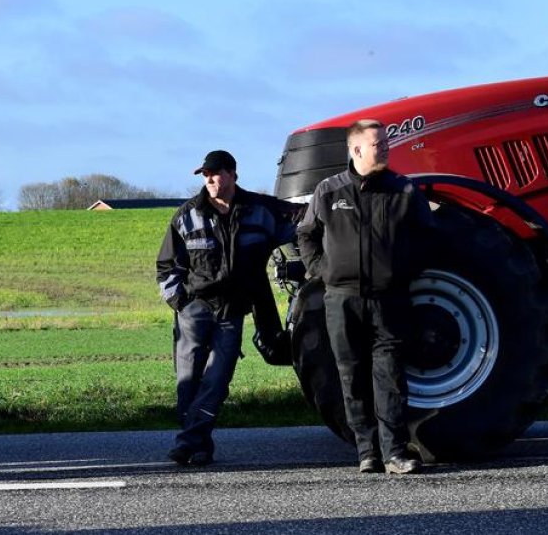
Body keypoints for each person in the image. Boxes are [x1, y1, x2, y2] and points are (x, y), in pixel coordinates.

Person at [296, 119, 432, 475]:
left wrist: (405, 270)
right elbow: (306, 235)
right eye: (378, 144)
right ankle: (366, 452)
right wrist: (321, 271)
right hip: (341, 300)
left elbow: (427, 235)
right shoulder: (328, 191)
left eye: (386, 143)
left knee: (390, 377)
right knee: (351, 375)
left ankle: (396, 453)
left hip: (390, 300)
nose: (386, 148)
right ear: (356, 150)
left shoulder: (403, 190)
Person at [156, 150, 300, 467]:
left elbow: (301, 217)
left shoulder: (259, 211)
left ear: (233, 174)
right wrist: (180, 303)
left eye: (215, 173)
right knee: (188, 383)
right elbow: (166, 267)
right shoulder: (186, 215)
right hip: (194, 310)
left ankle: (186, 443)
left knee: (217, 381)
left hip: (232, 311)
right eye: (205, 174)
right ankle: (200, 447)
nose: (209, 179)